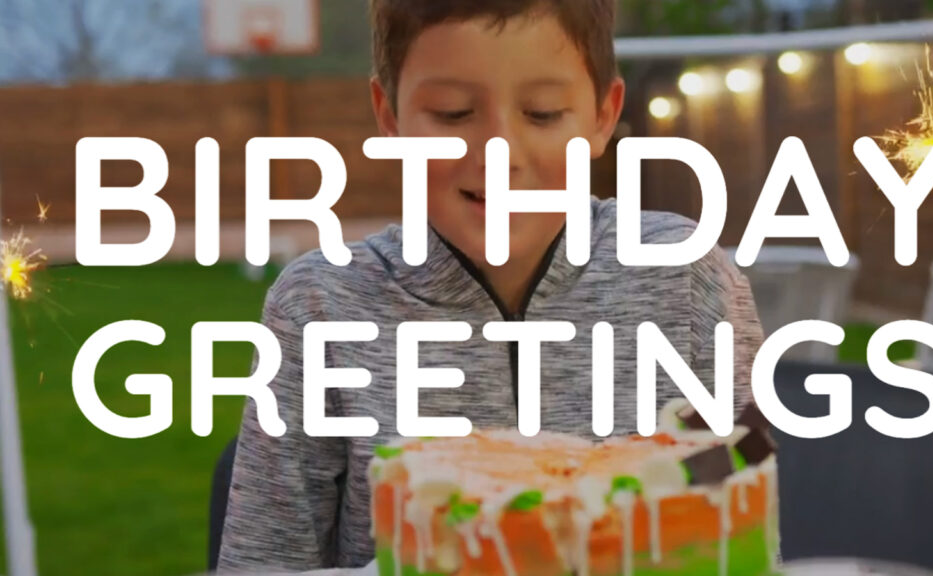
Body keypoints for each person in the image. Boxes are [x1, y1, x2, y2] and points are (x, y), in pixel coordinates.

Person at [217, 0, 764, 572]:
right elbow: (262, 564)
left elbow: (740, 530)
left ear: (603, 116)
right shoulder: (320, 309)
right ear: (392, 117)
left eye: (544, 113)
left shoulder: (687, 278)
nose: (498, 155)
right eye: (453, 114)